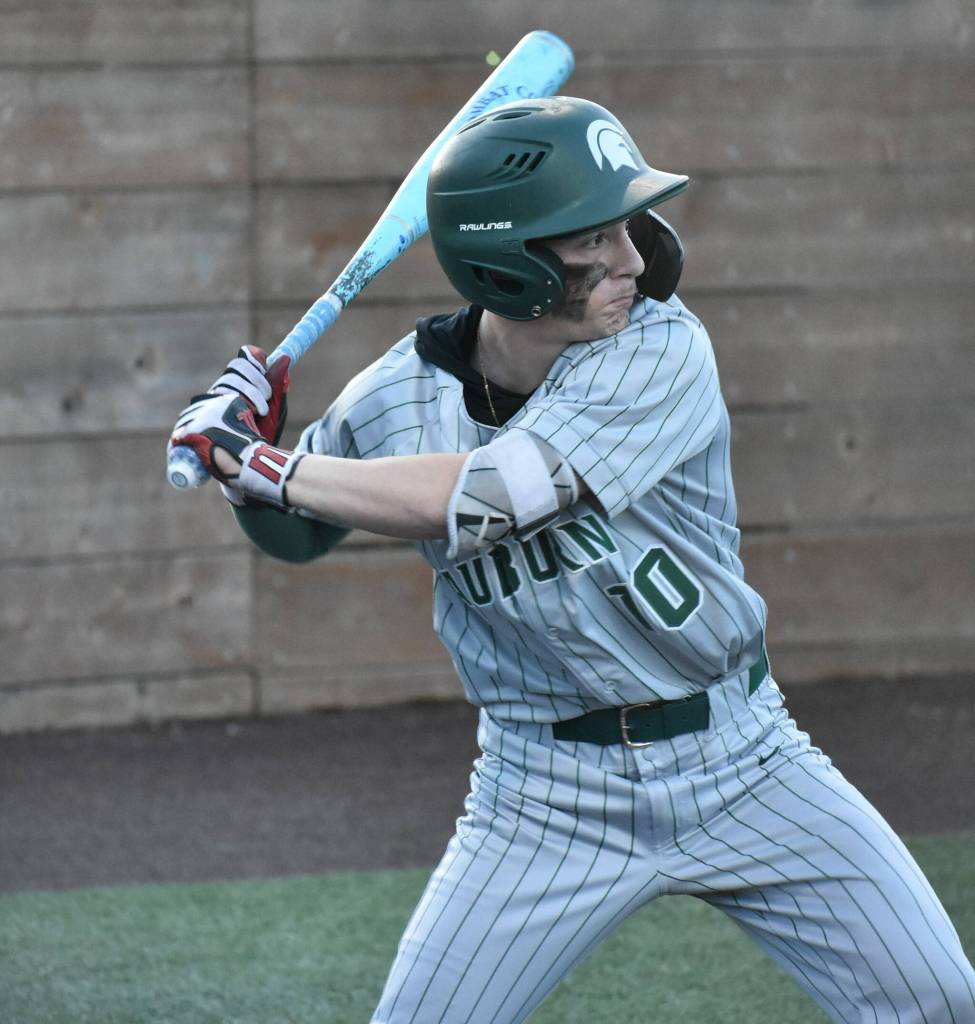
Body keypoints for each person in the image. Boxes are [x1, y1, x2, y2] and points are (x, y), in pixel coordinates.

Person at [170, 97, 975, 1023]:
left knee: (939, 999)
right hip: (543, 794)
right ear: (506, 265)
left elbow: (489, 494)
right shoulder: (396, 393)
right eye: (595, 236)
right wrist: (251, 478)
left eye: (626, 225)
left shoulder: (659, 349)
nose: (632, 258)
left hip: (742, 757)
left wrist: (269, 463)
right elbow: (298, 533)